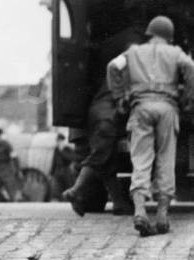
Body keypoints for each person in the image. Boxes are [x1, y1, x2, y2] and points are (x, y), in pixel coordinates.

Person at [107, 15, 194, 236]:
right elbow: (190, 68)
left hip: (141, 108)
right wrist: (188, 98)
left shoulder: (133, 52)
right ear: (169, 36)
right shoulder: (176, 53)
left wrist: (120, 97)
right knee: (166, 159)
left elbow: (113, 67)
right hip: (167, 108)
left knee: (141, 159)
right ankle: (163, 215)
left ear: (150, 33)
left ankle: (140, 211)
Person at [62, 24, 145, 217]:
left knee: (108, 161)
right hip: (107, 118)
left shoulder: (116, 74)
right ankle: (76, 190)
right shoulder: (131, 72)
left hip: (97, 114)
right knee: (100, 156)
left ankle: (119, 203)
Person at [0, 128, 20, 201]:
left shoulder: (6, 145)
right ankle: (3, 201)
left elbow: (15, 157)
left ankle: (14, 205)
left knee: (11, 190)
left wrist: (18, 170)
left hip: (7, 169)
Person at [50, 133, 77, 200]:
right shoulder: (56, 149)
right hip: (58, 171)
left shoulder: (67, 149)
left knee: (68, 185)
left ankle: (68, 198)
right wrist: (51, 173)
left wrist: (62, 151)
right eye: (58, 141)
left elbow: (70, 158)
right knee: (57, 187)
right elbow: (54, 161)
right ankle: (59, 198)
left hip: (66, 170)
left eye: (60, 141)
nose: (59, 142)